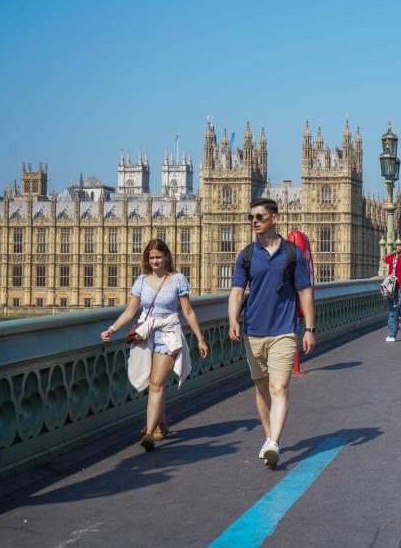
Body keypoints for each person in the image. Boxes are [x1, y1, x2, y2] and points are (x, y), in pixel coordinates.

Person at [228, 198, 316, 468]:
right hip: (254, 329)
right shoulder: (245, 255)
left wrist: (309, 328)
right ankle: (269, 438)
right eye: (251, 217)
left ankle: (274, 442)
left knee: (280, 387)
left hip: (284, 330)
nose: (254, 221)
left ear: (274, 218)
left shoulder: (292, 254)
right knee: (262, 388)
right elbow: (236, 291)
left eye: (260, 217)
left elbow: (305, 291)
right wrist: (232, 318)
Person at [101, 239, 209, 452]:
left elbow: (188, 311)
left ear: (166, 257)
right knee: (151, 383)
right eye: (151, 258)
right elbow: (131, 311)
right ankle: (161, 423)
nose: (155, 261)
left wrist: (200, 338)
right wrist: (112, 329)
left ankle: (148, 432)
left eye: (158, 257)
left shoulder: (178, 279)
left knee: (157, 383)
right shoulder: (141, 281)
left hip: (169, 333)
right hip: (146, 334)